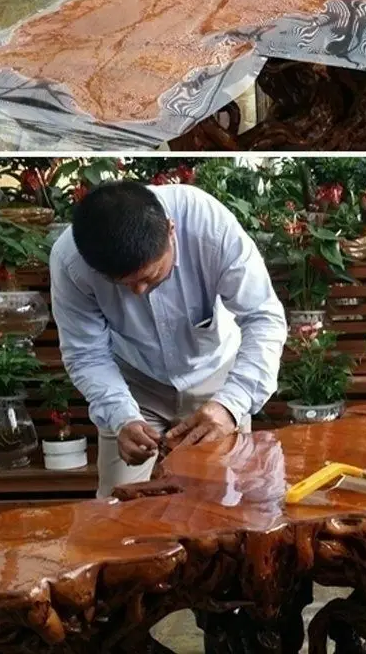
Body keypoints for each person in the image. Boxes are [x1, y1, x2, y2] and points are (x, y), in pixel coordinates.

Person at [49, 180, 287, 498]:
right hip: (133, 385)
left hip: (217, 378)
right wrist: (121, 417)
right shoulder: (70, 260)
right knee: (118, 505)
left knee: (228, 504)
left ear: (171, 231)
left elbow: (262, 317)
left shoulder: (208, 226)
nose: (138, 292)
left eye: (148, 277)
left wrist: (231, 405)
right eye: (122, 284)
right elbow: (86, 354)